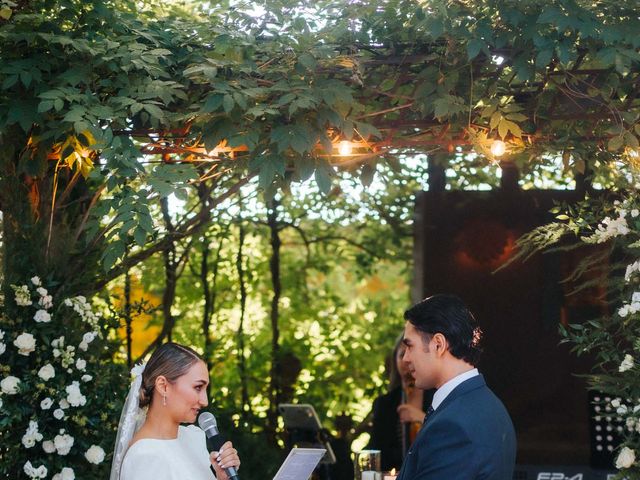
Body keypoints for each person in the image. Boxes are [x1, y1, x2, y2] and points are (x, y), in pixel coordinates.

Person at [397, 294, 516, 480]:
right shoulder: (490, 405)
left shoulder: (452, 425)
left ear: (438, 344)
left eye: (410, 346)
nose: (405, 358)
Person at [110, 342, 241, 480]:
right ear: (163, 386)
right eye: (198, 387)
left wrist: (222, 478)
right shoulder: (145, 456)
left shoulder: (192, 437)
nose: (205, 401)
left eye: (205, 389)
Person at [368, 335, 435, 472]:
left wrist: (422, 418)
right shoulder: (384, 404)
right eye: (401, 355)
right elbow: (377, 449)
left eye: (411, 352)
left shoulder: (437, 395)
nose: (406, 360)